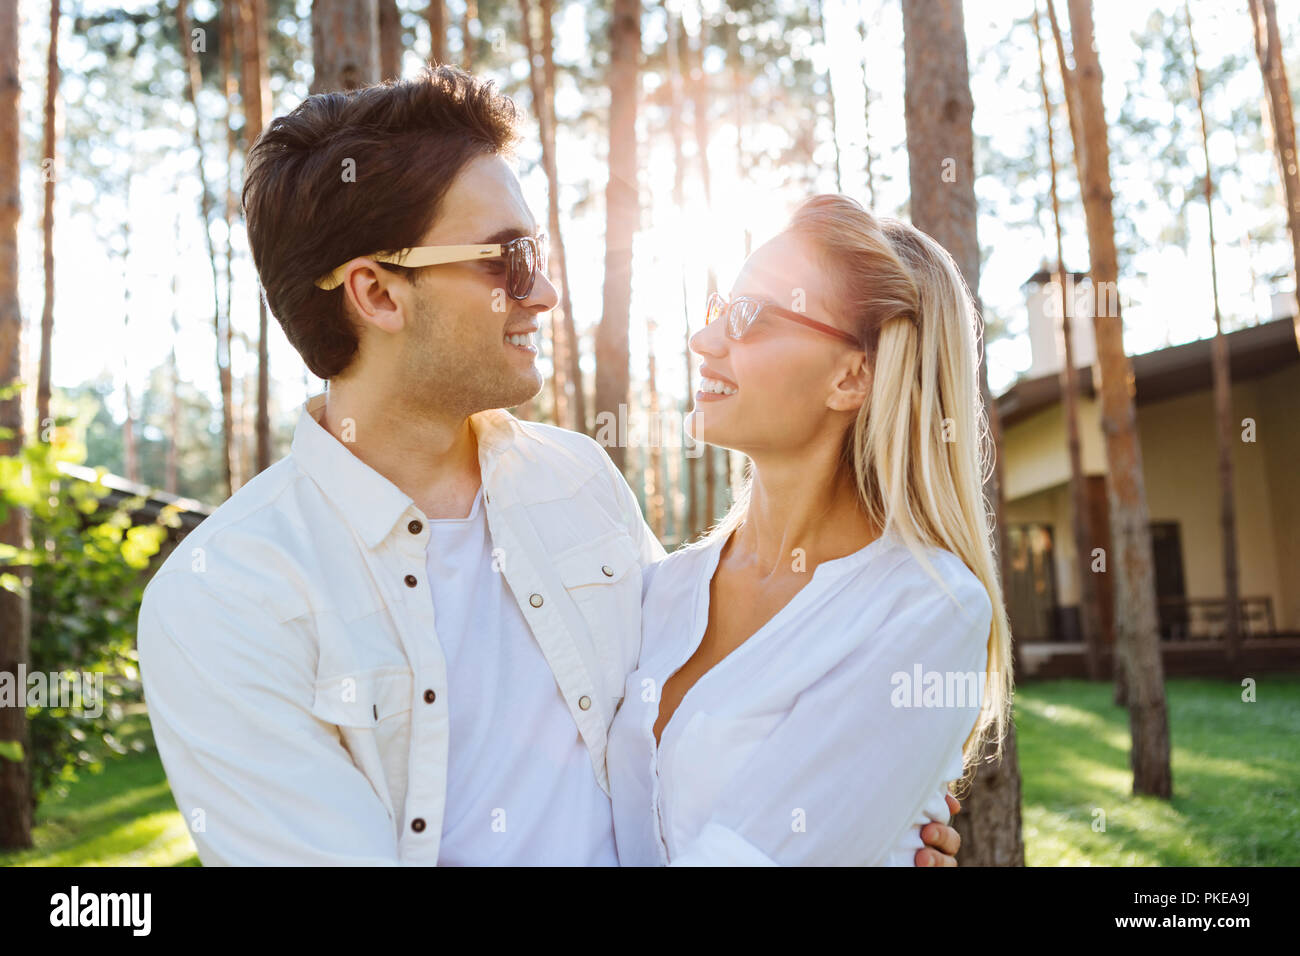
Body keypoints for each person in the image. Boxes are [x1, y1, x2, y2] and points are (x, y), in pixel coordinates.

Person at [135, 66, 963, 866]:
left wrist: (879, 823)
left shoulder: (581, 484)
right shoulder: (228, 598)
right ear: (379, 294)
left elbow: (704, 733)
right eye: (508, 259)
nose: (543, 294)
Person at [608, 195, 1013, 865]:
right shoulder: (663, 587)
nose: (704, 340)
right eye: (719, 309)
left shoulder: (925, 609)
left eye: (750, 316)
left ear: (852, 376)